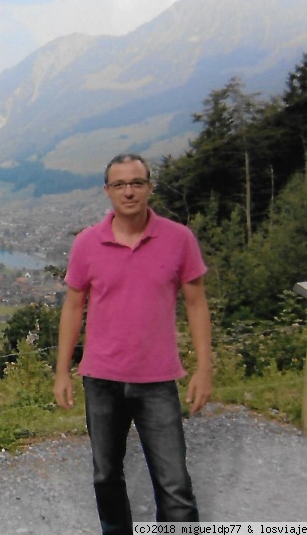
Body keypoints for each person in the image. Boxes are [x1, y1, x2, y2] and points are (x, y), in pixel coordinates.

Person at [53, 153, 212, 533]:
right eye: (120, 184)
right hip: (102, 378)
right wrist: (61, 371)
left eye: (137, 183)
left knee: (174, 483)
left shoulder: (179, 239)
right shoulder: (87, 243)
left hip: (158, 378)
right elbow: (73, 307)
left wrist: (205, 368)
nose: (129, 191)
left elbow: (196, 303)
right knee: (106, 474)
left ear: (149, 187)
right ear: (107, 191)